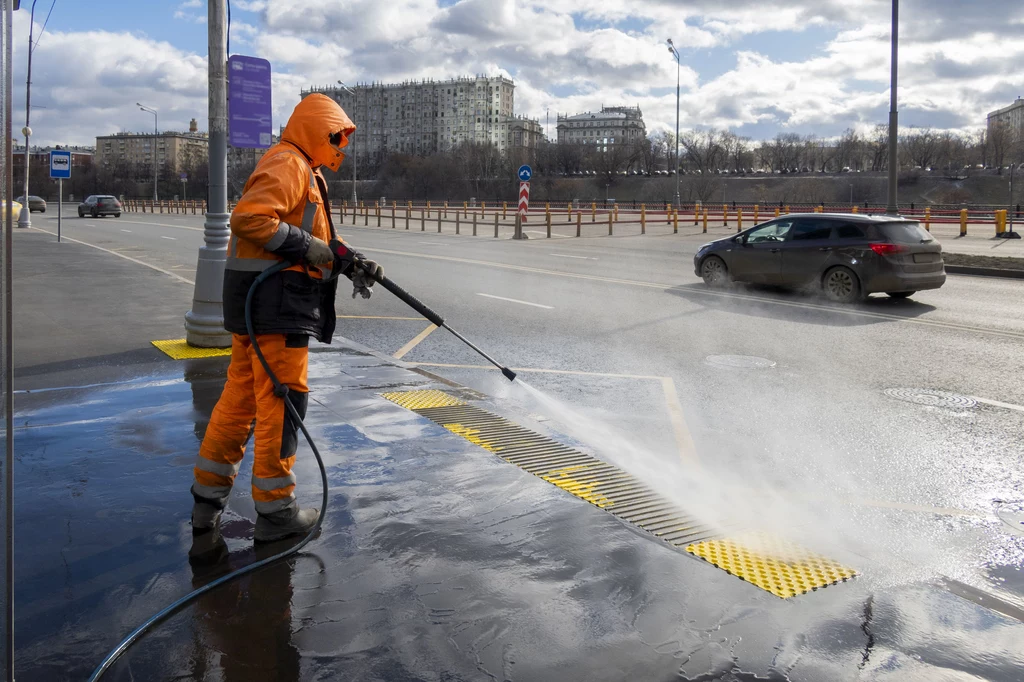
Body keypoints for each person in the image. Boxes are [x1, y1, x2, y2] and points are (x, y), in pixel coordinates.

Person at [190, 93, 382, 542]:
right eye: (337, 136)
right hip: (276, 307)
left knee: (239, 403)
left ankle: (206, 502)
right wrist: (309, 248)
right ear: (316, 129)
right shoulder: (289, 163)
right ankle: (276, 510)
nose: (342, 145)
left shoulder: (305, 170)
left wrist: (350, 260)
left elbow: (312, 236)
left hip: (260, 309)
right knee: (284, 403)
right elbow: (251, 219)